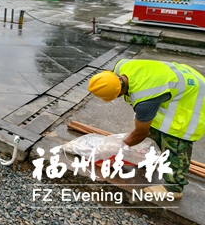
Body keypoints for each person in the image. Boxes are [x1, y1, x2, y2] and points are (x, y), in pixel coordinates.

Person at [88, 59, 205, 200]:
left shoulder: (145, 100)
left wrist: (118, 148)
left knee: (175, 141)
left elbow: (141, 133)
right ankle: (154, 158)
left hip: (194, 95)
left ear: (118, 93)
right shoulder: (121, 66)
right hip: (182, 77)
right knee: (155, 129)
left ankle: (173, 187)